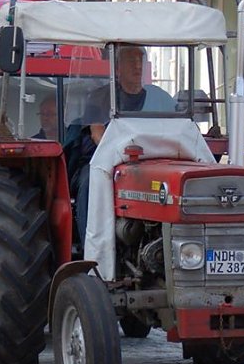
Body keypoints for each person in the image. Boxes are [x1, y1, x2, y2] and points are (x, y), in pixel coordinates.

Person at [74, 44, 175, 245]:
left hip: (153, 163)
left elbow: (177, 132)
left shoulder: (162, 99)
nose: (137, 66)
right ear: (117, 68)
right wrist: (123, 155)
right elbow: (97, 134)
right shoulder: (100, 97)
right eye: (131, 60)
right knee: (89, 182)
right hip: (108, 160)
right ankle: (92, 249)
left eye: (140, 60)